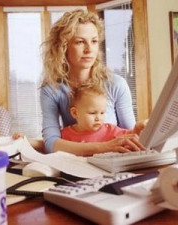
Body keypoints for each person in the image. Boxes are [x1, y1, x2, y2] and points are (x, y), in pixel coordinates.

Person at [40, 9, 146, 156]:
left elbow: (130, 136)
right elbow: (51, 144)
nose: (89, 49)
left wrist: (140, 130)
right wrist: (104, 147)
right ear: (63, 47)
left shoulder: (116, 84)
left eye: (94, 41)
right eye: (80, 42)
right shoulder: (51, 90)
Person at [61, 84, 144, 149]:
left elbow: (132, 137)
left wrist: (138, 128)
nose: (98, 118)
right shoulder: (64, 135)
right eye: (92, 113)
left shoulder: (111, 130)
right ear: (75, 113)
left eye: (102, 113)